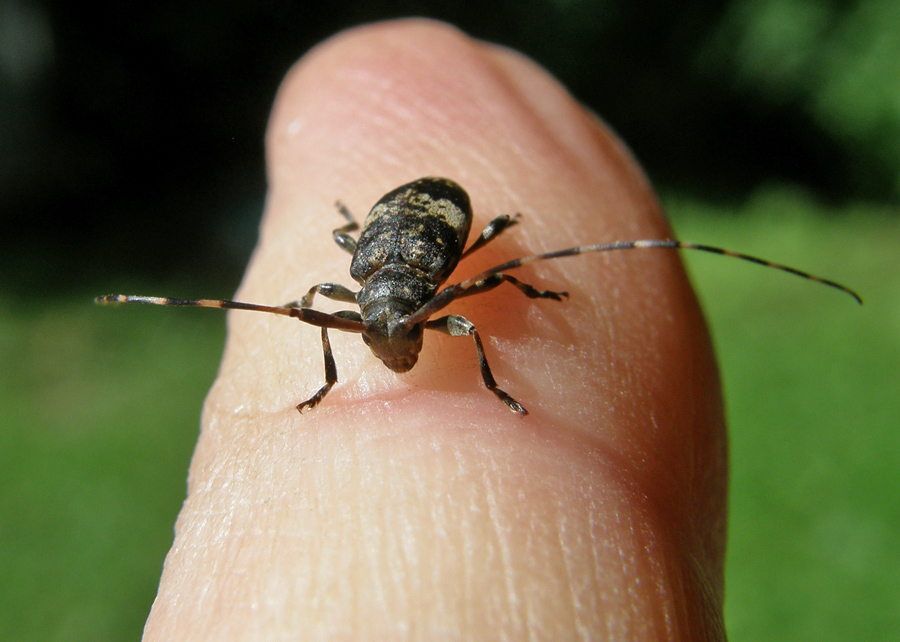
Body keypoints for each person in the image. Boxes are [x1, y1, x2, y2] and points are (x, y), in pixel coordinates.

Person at [142, 19, 726, 640]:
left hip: (432, 211)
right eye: (382, 336)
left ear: (423, 309)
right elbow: (318, 300)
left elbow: (480, 295)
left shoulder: (433, 284)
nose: (400, 350)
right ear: (363, 316)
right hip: (396, 224)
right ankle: (329, 380)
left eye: (404, 335)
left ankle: (507, 338)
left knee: (486, 295)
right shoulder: (361, 283)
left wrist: (517, 312)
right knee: (316, 299)